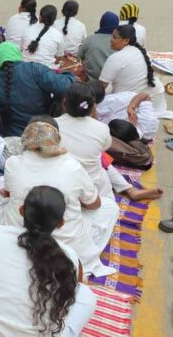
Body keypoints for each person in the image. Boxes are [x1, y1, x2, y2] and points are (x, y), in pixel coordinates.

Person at [0, 185, 97, 336]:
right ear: (60, 223)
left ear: (22, 210)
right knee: (87, 297)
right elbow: (62, 308)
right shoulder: (69, 255)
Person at [0, 121, 111, 277]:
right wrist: (75, 201)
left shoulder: (13, 163)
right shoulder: (72, 166)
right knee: (109, 207)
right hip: (64, 242)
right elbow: (94, 204)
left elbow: (8, 192)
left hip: (18, 233)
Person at [55, 84, 122, 241]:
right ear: (93, 107)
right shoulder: (101, 128)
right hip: (92, 186)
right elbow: (104, 148)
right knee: (110, 208)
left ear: (64, 103)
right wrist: (94, 119)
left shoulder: (52, 124)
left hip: (58, 185)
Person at [0, 42, 75, 137]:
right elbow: (64, 86)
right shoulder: (34, 69)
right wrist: (66, 74)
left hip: (7, 136)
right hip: (41, 133)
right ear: (18, 54)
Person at [99, 25, 166, 117]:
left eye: (114, 37)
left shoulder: (115, 58)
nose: (111, 40)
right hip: (145, 97)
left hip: (128, 101)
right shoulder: (141, 52)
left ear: (126, 41)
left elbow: (101, 86)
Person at [89, 81, 158, 142]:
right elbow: (145, 95)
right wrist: (131, 107)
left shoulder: (114, 142)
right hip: (129, 100)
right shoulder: (149, 121)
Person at [78, 11, 119, 81]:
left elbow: (79, 56)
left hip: (90, 82)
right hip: (111, 83)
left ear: (101, 23)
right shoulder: (119, 43)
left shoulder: (90, 39)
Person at [22, 4, 64, 69]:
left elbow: (22, 49)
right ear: (54, 20)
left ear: (40, 17)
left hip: (24, 69)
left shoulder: (28, 29)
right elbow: (58, 59)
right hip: (45, 73)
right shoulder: (58, 35)